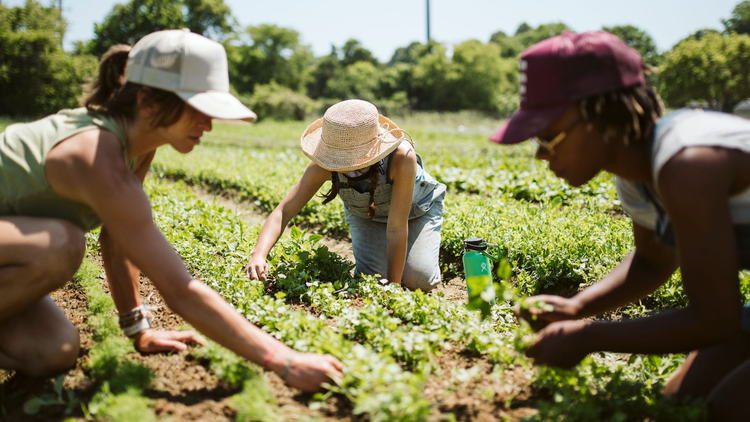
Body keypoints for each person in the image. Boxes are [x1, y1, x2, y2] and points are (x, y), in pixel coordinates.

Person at [0, 29, 342, 392]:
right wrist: (284, 360)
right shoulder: (94, 155)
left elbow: (117, 240)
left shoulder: (137, 145)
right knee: (61, 245)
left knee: (52, 351)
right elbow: (179, 289)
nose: (208, 125)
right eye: (197, 110)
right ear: (148, 101)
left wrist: (137, 327)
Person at [490, 31, 750, 420]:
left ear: (601, 115)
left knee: (726, 409)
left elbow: (715, 318)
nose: (541, 153)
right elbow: (652, 261)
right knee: (681, 402)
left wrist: (590, 336)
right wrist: (578, 307)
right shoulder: (635, 174)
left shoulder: (688, 163)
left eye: (547, 134)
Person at [246, 99, 446, 291]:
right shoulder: (323, 164)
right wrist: (259, 255)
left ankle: (423, 250)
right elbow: (284, 211)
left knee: (418, 280)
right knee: (373, 281)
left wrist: (393, 287)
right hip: (367, 216)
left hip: (417, 210)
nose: (344, 164)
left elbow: (396, 228)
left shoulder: (401, 157)